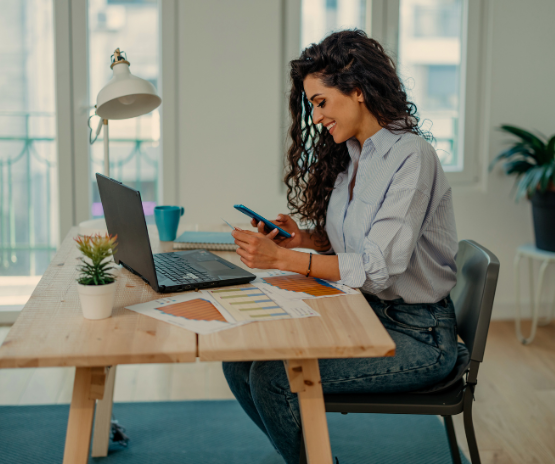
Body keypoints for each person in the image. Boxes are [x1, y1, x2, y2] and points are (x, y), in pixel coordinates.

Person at [223, 29, 459, 464]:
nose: (315, 117)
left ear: (357, 91)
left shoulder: (412, 157)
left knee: (274, 380)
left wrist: (283, 258)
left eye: (320, 102)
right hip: (365, 311)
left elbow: (377, 267)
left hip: (418, 335)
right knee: (239, 363)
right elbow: (351, 243)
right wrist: (303, 239)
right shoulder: (354, 154)